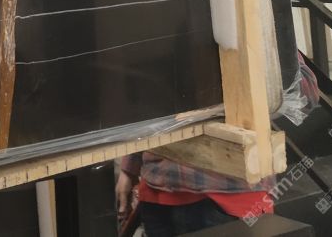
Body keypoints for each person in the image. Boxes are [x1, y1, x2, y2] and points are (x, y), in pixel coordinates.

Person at [116, 56, 319, 237]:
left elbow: (305, 95)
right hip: (158, 189)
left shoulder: (252, 27)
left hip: (225, 194)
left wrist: (270, 41)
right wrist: (129, 167)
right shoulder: (157, 31)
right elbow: (147, 103)